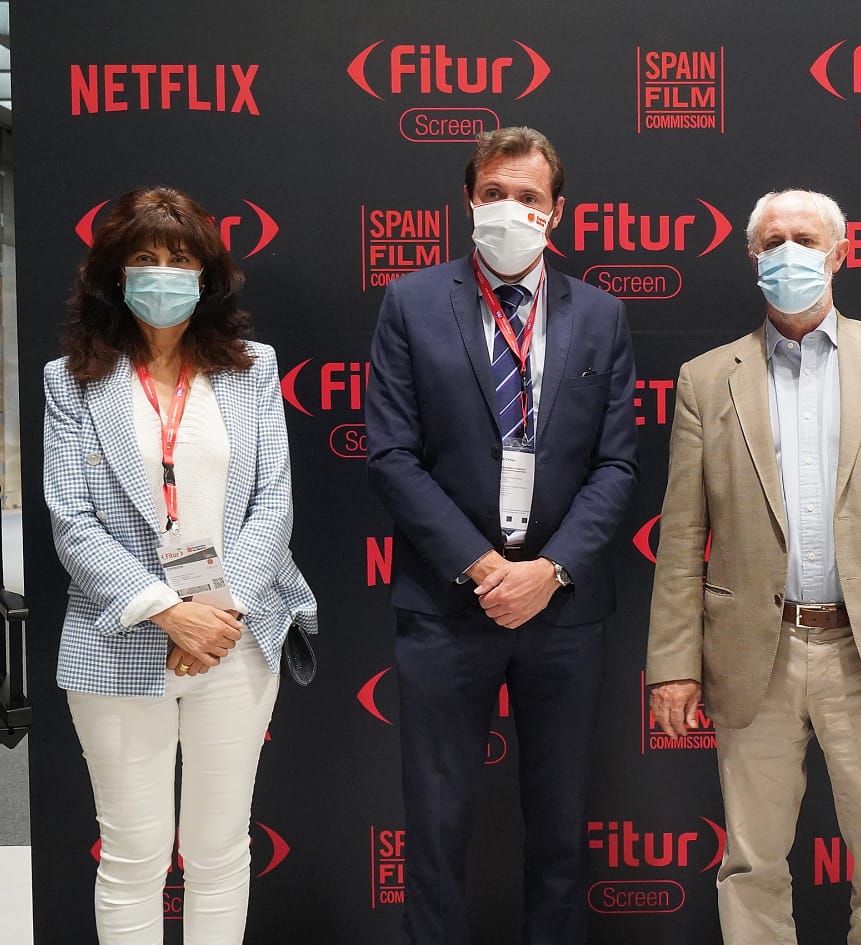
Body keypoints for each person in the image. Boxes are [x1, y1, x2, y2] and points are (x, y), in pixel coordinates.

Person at [644, 189, 861, 945]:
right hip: (754, 652)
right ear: (752, 258)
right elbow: (680, 537)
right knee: (751, 863)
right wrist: (672, 664)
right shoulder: (706, 378)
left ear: (841, 253)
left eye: (805, 239)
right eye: (772, 242)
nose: (788, 254)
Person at [364, 126, 638, 945]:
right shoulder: (411, 303)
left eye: (528, 197)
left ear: (557, 211)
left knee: (561, 829)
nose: (509, 209)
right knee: (436, 827)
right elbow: (391, 455)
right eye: (493, 194)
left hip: (564, 610)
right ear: (467, 201)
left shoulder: (601, 315)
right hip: (447, 604)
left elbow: (616, 465)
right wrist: (484, 566)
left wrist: (549, 570)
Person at [42, 186, 318, 945]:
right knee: (133, 855)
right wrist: (169, 611)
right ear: (114, 274)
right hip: (119, 640)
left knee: (220, 849)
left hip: (235, 637)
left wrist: (216, 616)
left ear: (207, 275)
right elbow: (72, 518)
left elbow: (273, 503)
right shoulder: (70, 380)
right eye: (144, 258)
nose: (162, 274)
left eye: (180, 259)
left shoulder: (252, 369)